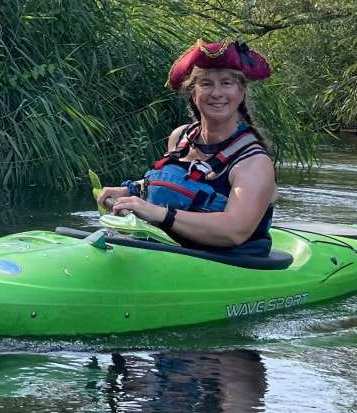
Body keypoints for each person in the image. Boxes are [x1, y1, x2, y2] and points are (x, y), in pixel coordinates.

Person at [96, 39, 276, 255]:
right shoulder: (180, 136)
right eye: (206, 84)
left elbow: (235, 230)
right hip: (171, 251)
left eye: (226, 83)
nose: (217, 93)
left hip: (229, 264)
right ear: (194, 92)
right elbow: (179, 181)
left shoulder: (254, 162)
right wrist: (132, 190)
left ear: (241, 92)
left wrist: (157, 212)